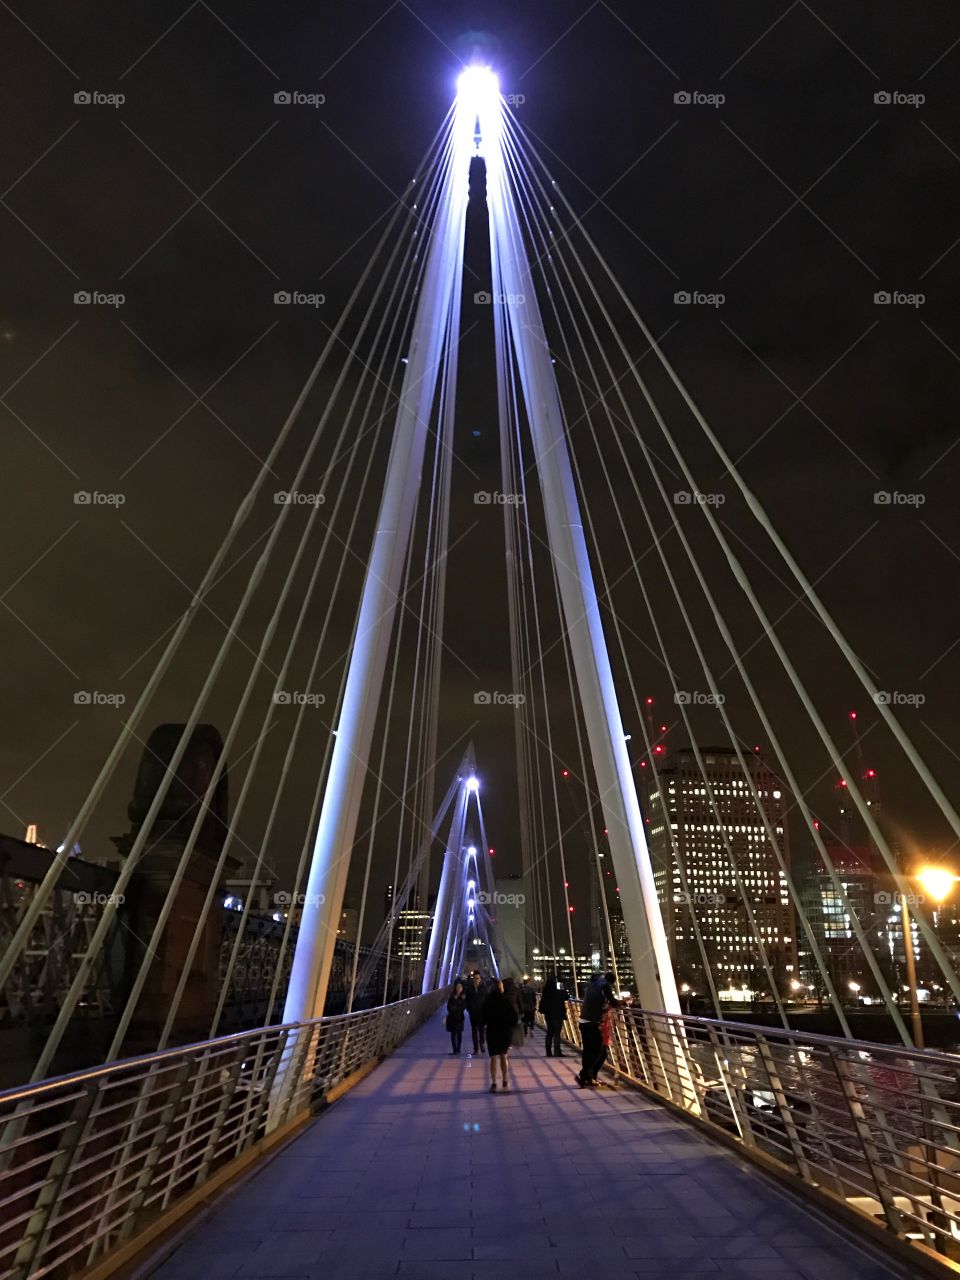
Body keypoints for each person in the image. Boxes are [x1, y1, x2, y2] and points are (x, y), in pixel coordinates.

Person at [577, 972, 621, 1087]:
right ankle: (584, 1075)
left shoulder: (593, 983)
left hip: (583, 1021)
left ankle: (586, 1077)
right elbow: (613, 1001)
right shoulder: (605, 985)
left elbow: (595, 1004)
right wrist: (622, 1002)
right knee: (599, 1051)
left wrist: (604, 1009)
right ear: (611, 982)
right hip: (591, 1023)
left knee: (588, 1050)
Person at [482, 978, 518, 1092]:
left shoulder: (487, 1000)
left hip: (492, 1031)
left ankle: (493, 1083)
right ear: (501, 988)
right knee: (503, 1055)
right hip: (504, 1032)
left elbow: (482, 1017)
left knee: (493, 1057)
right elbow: (514, 1018)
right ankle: (505, 1080)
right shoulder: (505, 1001)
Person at [538, 972, 569, 1057]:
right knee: (557, 1033)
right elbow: (565, 997)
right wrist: (562, 988)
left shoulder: (547, 988)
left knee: (549, 1032)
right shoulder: (559, 986)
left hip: (549, 1013)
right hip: (558, 1013)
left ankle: (548, 1051)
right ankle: (557, 1051)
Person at [465, 971, 487, 1055]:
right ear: (473, 979)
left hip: (482, 1013)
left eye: (478, 978)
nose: (476, 980)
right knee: (474, 1031)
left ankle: (481, 1044)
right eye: (475, 978)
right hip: (473, 1013)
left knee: (482, 1031)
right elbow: (467, 1000)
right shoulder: (469, 989)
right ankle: (476, 1049)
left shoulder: (484, 989)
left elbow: (486, 1000)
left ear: (480, 979)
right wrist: (468, 1009)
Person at [446, 981, 468, 1055]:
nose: (459, 988)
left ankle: (458, 1049)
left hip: (460, 1018)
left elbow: (463, 1007)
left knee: (459, 1033)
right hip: (452, 1017)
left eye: (460, 987)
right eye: (457, 987)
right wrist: (454, 1007)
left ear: (462, 988)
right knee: (453, 1034)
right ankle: (454, 1049)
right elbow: (449, 1007)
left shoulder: (463, 997)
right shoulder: (452, 996)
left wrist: (455, 1008)